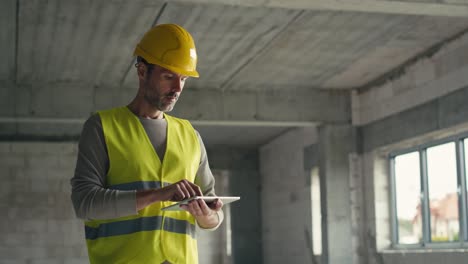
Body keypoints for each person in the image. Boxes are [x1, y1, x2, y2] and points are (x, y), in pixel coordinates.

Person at [70, 23, 224, 264]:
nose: (177, 88)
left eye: (183, 78)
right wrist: (157, 195)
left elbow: (215, 214)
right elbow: (85, 204)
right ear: (142, 71)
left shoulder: (190, 135)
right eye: (168, 76)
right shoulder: (102, 127)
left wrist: (206, 217)